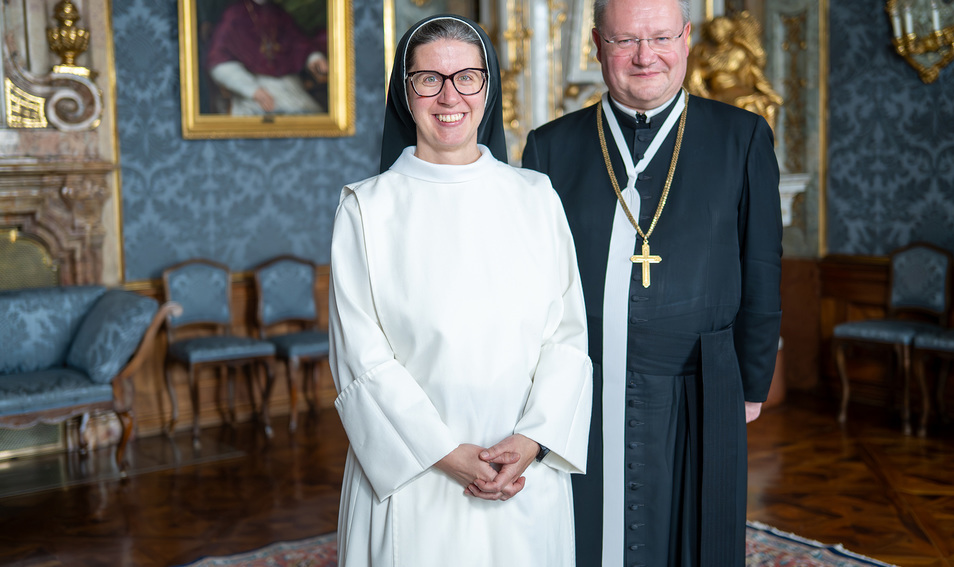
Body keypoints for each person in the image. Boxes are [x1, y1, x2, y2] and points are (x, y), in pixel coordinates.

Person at [519, 0, 782, 565]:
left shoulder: (742, 138)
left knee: (699, 540)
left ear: (686, 39)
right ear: (597, 45)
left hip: (703, 383)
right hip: (583, 387)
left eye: (660, 38)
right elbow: (530, 286)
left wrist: (752, 381)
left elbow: (761, 265)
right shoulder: (550, 147)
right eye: (624, 42)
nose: (645, 57)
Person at [328, 14, 593, 567]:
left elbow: (566, 336)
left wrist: (533, 442)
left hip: (523, 473)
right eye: (429, 78)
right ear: (406, 93)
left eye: (466, 77)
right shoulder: (366, 209)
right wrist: (445, 454)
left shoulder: (536, 197)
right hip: (413, 476)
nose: (449, 95)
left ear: (488, 87)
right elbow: (361, 358)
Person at [204, 0, 328, 115]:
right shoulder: (234, 15)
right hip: (255, 94)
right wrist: (253, 90)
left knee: (313, 117)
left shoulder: (278, 13)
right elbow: (219, 63)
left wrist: (314, 58)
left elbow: (299, 42)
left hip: (291, 87)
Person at [686, 11, 784, 136]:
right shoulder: (704, 52)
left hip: (741, 90)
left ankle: (764, 145)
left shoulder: (739, 52)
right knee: (744, 108)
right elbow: (695, 79)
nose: (716, 31)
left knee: (767, 107)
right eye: (714, 27)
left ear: (729, 30)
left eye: (720, 27)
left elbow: (756, 74)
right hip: (722, 93)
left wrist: (771, 93)